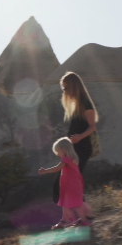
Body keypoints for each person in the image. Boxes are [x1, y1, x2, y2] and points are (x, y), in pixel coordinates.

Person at [52, 72, 98, 219]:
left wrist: (79, 137)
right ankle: (83, 216)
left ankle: (83, 216)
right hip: (73, 149)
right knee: (65, 183)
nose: (64, 92)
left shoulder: (85, 103)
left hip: (81, 149)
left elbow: (92, 127)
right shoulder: (77, 103)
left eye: (65, 88)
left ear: (73, 86)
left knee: (67, 183)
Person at [39, 137, 90, 229]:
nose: (58, 154)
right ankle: (81, 221)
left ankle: (75, 220)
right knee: (76, 204)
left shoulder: (66, 159)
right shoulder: (74, 158)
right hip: (75, 184)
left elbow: (57, 168)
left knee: (68, 205)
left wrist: (45, 171)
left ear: (64, 149)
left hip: (69, 186)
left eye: (58, 152)